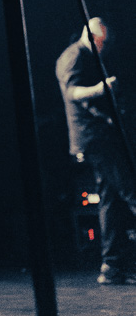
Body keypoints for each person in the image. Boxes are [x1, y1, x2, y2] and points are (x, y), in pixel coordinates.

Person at [56, 16, 136, 285]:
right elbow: (72, 92)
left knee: (111, 200)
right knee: (131, 189)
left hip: (99, 136)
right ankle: (112, 264)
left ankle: (112, 266)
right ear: (92, 37)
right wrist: (101, 88)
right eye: (102, 42)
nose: (104, 48)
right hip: (94, 139)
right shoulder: (74, 56)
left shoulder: (84, 56)